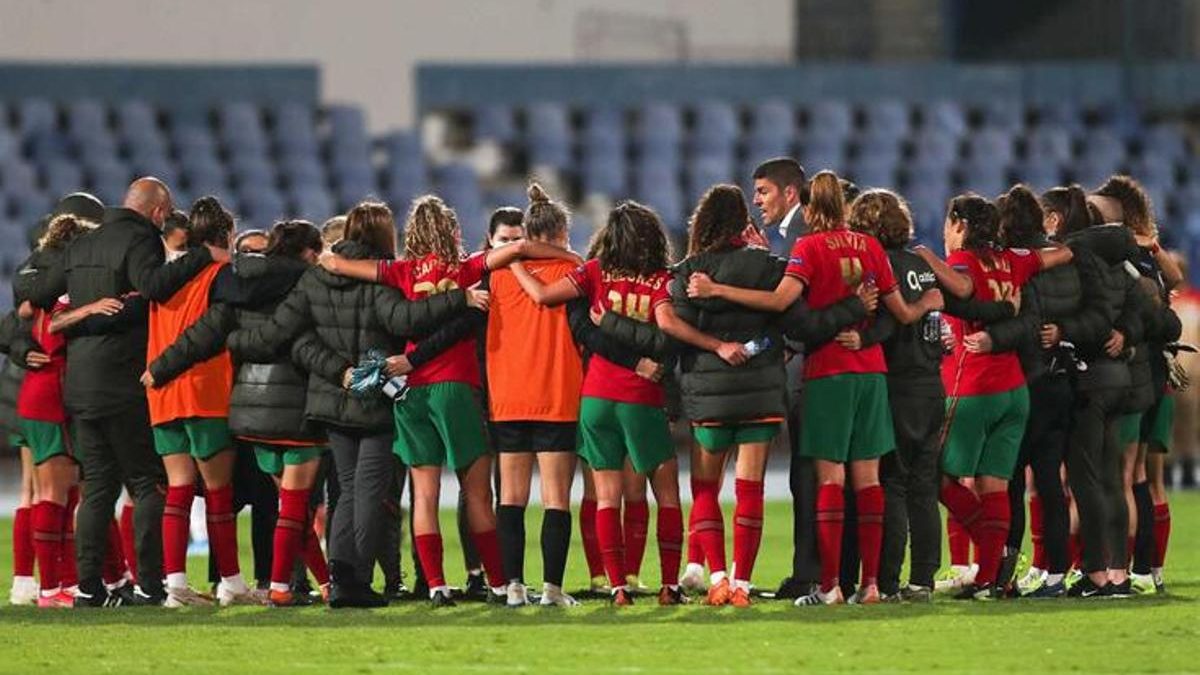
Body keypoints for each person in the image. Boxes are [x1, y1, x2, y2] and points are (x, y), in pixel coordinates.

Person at [690, 173, 941, 606]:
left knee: (830, 478)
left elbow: (778, 303)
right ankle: (872, 585)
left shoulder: (809, 248)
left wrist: (717, 289)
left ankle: (830, 586)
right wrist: (927, 303)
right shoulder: (872, 247)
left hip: (829, 373)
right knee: (869, 481)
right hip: (872, 375)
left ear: (809, 208)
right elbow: (899, 312)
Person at [319, 196, 581, 607]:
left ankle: (437, 585)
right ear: (453, 231)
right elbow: (520, 248)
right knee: (476, 492)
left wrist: (328, 256)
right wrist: (566, 253)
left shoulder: (399, 270)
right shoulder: (467, 267)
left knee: (423, 494)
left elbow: (337, 264)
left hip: (410, 388)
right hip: (455, 386)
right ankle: (498, 583)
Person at [228, 201, 483, 608]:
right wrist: (460, 300)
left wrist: (237, 341)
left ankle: (341, 578)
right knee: (369, 494)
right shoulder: (381, 278)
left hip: (331, 401)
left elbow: (288, 337)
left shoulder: (316, 277)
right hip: (376, 400)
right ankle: (356, 580)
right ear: (386, 235)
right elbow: (404, 322)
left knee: (344, 492)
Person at [26, 177, 227, 607]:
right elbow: (154, 285)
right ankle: (150, 585)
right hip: (124, 382)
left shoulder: (82, 244)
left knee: (97, 487)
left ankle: (87, 589)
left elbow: (40, 293)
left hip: (80, 384)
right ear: (157, 212)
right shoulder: (141, 239)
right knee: (146, 482)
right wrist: (200, 257)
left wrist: (81, 310)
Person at [145, 220, 333, 606]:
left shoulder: (239, 285)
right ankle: (280, 586)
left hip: (250, 411)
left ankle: (326, 582)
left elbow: (203, 333)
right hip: (294, 405)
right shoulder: (309, 284)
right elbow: (285, 337)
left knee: (288, 505)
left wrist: (159, 368)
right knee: (294, 507)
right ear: (309, 253)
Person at [510, 200, 686, 606]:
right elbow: (668, 335)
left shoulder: (593, 273)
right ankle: (668, 584)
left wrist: (515, 260)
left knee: (605, 496)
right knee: (667, 495)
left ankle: (617, 587)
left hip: (596, 396)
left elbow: (543, 295)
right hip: (641, 398)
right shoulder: (660, 281)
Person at [916, 192, 1073, 599]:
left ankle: (990, 555)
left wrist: (926, 257)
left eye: (949, 225)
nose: (945, 233)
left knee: (934, 475)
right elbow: (1062, 255)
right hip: (1014, 391)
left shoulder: (962, 261)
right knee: (995, 485)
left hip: (972, 385)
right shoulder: (1013, 260)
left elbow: (963, 287)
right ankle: (990, 580)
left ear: (960, 226)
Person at [135, 196, 260, 608]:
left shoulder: (162, 279)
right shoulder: (221, 274)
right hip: (203, 391)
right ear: (225, 235)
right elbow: (216, 327)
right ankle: (232, 584)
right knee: (219, 492)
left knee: (178, 489)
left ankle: (175, 586)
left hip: (162, 396)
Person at [845, 190, 947, 602]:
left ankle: (886, 580)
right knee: (924, 486)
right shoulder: (923, 266)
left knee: (893, 484)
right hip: (930, 385)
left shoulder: (878, 265)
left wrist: (861, 336)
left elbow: (889, 325)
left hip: (897, 386)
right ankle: (923, 578)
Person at [748, 158, 820, 599]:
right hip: (820, 362)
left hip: (812, 369)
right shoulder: (790, 237)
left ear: (790, 193)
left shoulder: (801, 236)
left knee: (809, 471)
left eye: (763, 192)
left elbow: (792, 303)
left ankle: (809, 573)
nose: (757, 201)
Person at [20, 214, 98, 607]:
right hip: (51, 394)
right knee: (54, 492)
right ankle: (50, 587)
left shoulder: (38, 289)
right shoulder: (64, 293)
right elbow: (55, 336)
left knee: (60, 494)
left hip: (38, 395)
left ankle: (61, 583)